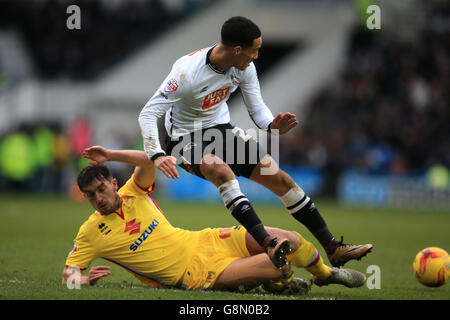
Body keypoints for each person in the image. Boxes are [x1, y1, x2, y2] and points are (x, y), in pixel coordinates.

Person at [138, 16, 372, 268]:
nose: (257, 56)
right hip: (183, 138)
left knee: (281, 178)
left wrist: (272, 125)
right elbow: (148, 113)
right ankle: (268, 244)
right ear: (237, 49)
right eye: (255, 50)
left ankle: (333, 248)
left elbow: (257, 109)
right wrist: (157, 153)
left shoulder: (244, 67)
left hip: (220, 130)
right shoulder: (186, 73)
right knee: (219, 168)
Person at [62, 146, 366, 293]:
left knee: (290, 239)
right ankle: (279, 280)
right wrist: (82, 280)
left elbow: (150, 158)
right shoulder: (90, 232)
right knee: (278, 260)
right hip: (194, 273)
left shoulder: (134, 192)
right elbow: (69, 273)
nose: (97, 198)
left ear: (113, 183)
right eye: (90, 195)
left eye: (101, 189)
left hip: (205, 238)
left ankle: (326, 274)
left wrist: (111, 154)